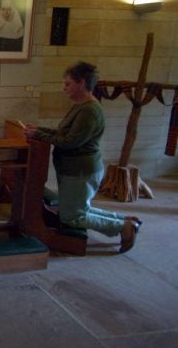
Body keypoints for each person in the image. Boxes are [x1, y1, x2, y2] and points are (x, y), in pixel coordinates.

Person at [24, 61, 141, 252]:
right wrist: (39, 130)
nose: (64, 88)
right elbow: (64, 132)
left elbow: (70, 141)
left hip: (80, 170)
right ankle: (124, 221)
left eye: (68, 84)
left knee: (73, 217)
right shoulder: (81, 106)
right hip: (76, 169)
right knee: (78, 210)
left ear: (81, 83)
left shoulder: (89, 111)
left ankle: (123, 227)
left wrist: (38, 135)